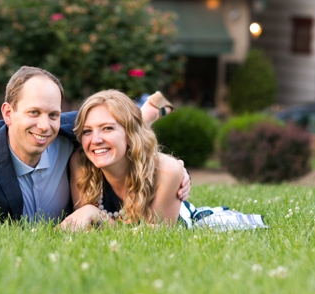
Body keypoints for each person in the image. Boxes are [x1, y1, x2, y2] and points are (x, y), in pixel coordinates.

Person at [0, 66, 187, 222]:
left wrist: (176, 172)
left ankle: (148, 113)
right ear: (8, 113)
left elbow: (117, 127)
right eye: (33, 112)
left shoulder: (74, 132)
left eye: (53, 114)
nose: (45, 126)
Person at [59, 90, 265, 230]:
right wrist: (89, 213)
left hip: (179, 218)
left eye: (107, 128)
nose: (95, 140)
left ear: (130, 134)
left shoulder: (166, 171)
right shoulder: (81, 162)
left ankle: (147, 113)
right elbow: (84, 225)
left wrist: (96, 214)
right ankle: (147, 113)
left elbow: (152, 238)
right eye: (87, 131)